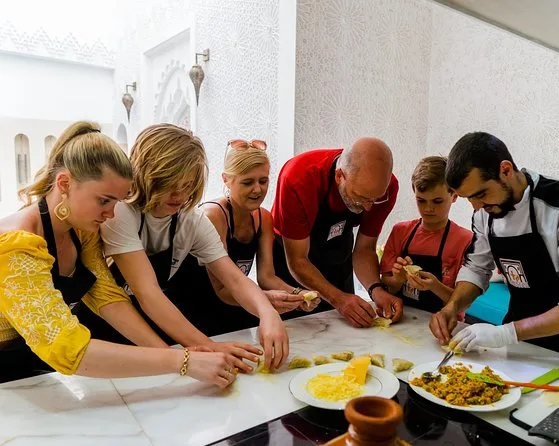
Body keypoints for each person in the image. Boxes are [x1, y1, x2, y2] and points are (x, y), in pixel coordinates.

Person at [0, 121, 251, 386]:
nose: (111, 214)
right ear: (64, 183)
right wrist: (181, 362)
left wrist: (175, 357)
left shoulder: (82, 233)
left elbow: (109, 300)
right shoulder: (16, 246)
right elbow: (66, 347)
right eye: (104, 200)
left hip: (32, 357)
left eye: (117, 202)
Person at [83, 124, 288, 370]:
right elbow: (148, 293)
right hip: (107, 330)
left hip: (157, 327)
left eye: (188, 185)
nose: (179, 194)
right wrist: (207, 346)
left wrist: (267, 313)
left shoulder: (191, 219)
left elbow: (233, 278)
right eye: (170, 183)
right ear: (147, 173)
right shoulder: (120, 213)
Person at [429, 132, 559, 367]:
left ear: (505, 170)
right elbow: (476, 269)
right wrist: (452, 307)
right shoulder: (485, 214)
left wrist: (504, 333)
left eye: (481, 194)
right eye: (468, 199)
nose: (477, 207)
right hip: (521, 345)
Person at [172, 139, 320, 334]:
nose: (257, 190)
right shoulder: (213, 216)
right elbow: (223, 289)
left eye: (263, 181)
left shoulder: (263, 217)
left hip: (236, 306)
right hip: (195, 313)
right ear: (226, 180)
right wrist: (265, 301)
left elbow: (266, 277)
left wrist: (298, 295)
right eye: (247, 182)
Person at [271, 138, 403, 328]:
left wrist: (376, 290)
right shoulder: (298, 178)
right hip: (292, 261)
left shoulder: (386, 188)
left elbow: (365, 249)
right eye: (361, 198)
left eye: (374, 199)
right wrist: (339, 299)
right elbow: (298, 260)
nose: (368, 207)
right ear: (340, 176)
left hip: (337, 252)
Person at [380, 156, 472, 314]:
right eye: (421, 201)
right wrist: (398, 279)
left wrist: (435, 286)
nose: (428, 208)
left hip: (444, 325)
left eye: (437, 201)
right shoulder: (400, 232)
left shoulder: (465, 240)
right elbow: (387, 286)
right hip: (403, 319)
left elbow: (464, 304)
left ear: (454, 196)